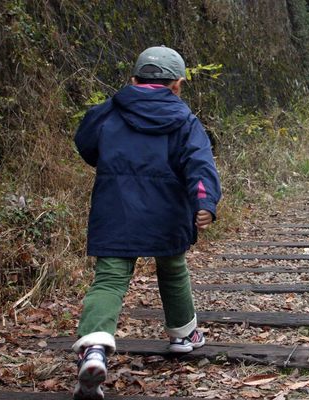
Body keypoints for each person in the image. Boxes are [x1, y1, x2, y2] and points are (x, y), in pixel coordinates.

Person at [71, 46, 221, 400]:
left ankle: (94, 347)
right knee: (172, 268)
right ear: (178, 85)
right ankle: (184, 335)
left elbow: (86, 144)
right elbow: (199, 163)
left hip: (115, 208)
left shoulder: (109, 110)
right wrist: (205, 201)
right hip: (166, 212)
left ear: (133, 80)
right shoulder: (185, 120)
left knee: (109, 279)